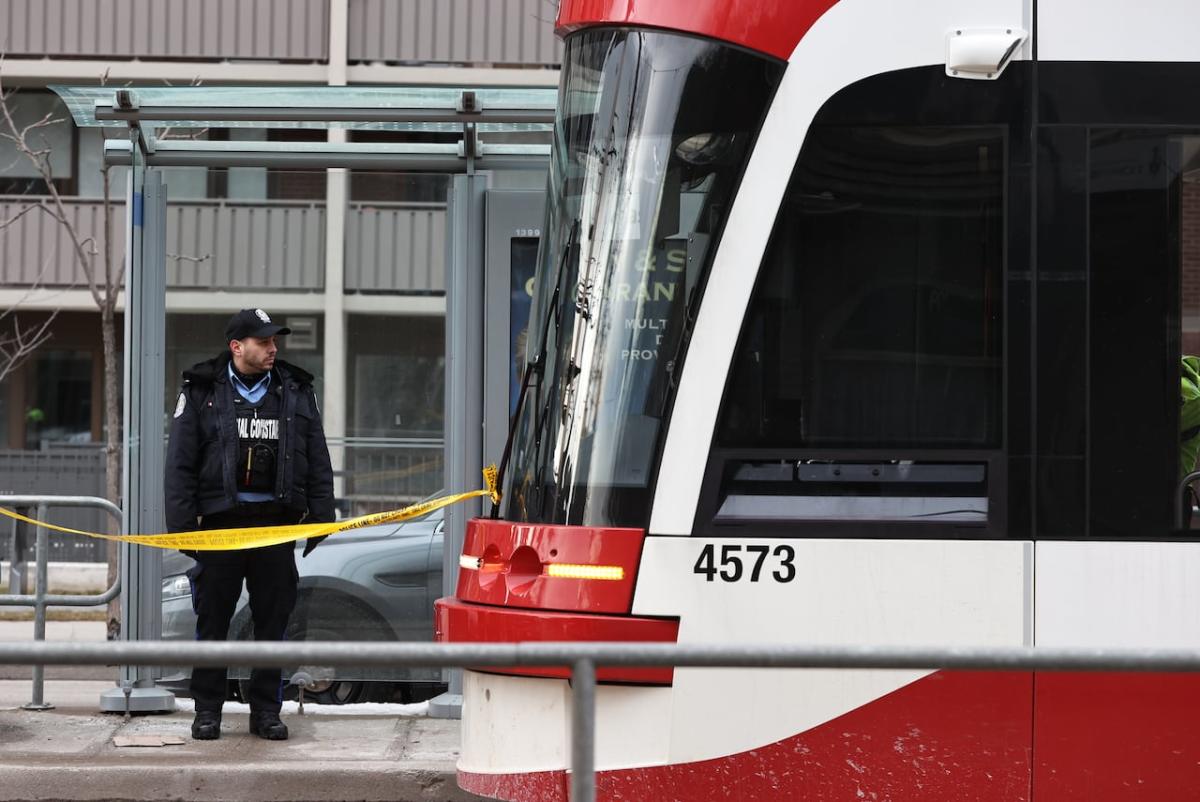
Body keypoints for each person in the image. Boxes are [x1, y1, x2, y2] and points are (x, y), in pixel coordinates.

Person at [165, 308, 334, 741]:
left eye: (275, 341)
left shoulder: (296, 390)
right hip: (221, 525)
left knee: (273, 622)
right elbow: (180, 464)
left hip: (274, 525)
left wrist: (320, 517)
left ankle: (266, 712)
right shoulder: (200, 390)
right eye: (264, 342)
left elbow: (317, 456)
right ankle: (207, 712)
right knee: (213, 621)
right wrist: (183, 527)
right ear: (237, 346)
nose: (273, 348)